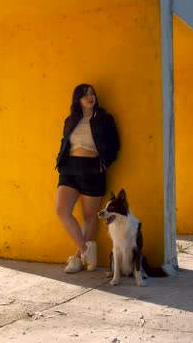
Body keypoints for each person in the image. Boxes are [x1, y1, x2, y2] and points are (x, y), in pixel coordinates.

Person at [55, 83, 120, 273]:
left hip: (93, 169)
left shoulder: (105, 118)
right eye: (85, 95)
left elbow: (115, 144)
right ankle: (86, 250)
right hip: (70, 169)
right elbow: (64, 140)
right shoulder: (71, 120)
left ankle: (76, 259)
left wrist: (105, 164)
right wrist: (60, 160)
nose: (90, 97)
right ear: (78, 100)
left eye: (92, 93)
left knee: (88, 216)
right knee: (61, 211)